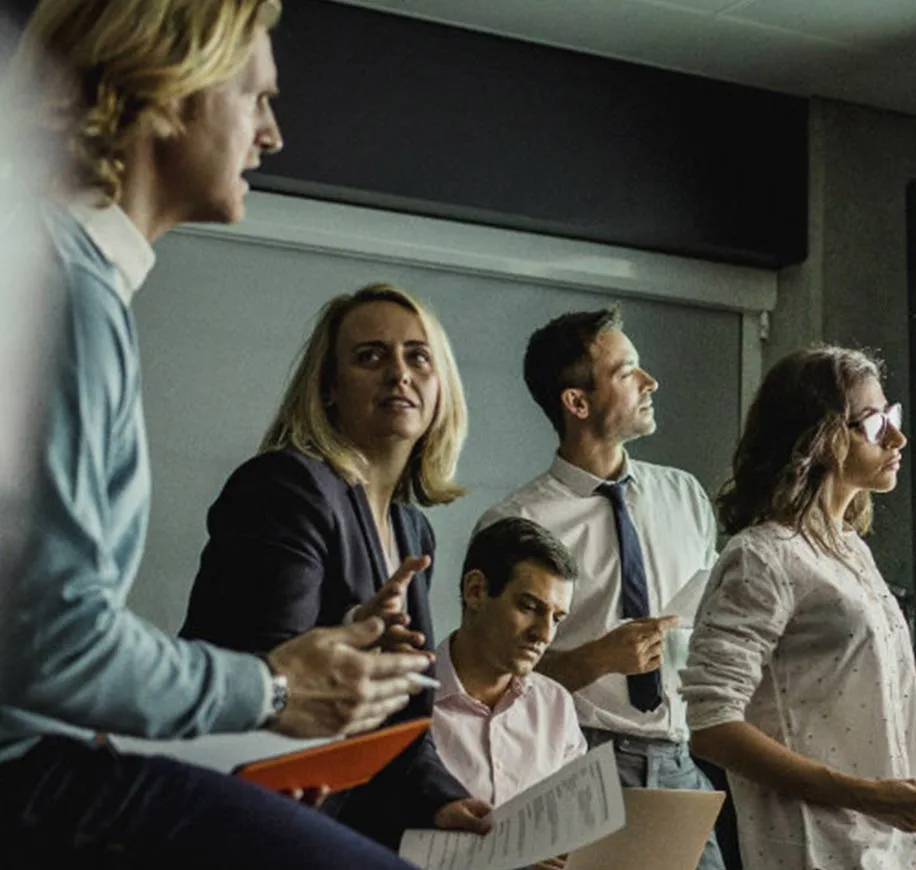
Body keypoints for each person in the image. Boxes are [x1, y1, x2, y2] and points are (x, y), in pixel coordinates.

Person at [0, 2, 437, 867]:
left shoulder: (74, 280)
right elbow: (53, 643)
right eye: (256, 99)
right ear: (170, 94)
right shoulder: (67, 292)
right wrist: (274, 689)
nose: (270, 135)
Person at [681, 345, 916, 870]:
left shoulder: (849, 550)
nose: (897, 437)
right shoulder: (760, 557)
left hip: (894, 846)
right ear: (817, 438)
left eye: (894, 417)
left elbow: (889, 720)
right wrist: (867, 795)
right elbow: (711, 727)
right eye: (874, 422)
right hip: (825, 849)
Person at [180, 283, 490, 848]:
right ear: (328, 389)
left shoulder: (412, 528)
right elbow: (273, 684)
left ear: (441, 386)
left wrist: (446, 801)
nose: (399, 372)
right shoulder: (286, 488)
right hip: (251, 809)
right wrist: (352, 641)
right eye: (369, 356)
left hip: (345, 816)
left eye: (418, 356)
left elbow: (403, 720)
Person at [476, 307, 727, 870]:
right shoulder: (516, 524)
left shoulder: (684, 496)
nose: (649, 382)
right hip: (579, 761)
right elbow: (486, 677)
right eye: (627, 371)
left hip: (681, 761)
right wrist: (597, 659)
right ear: (577, 403)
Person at [431, 516, 586, 804]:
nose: (545, 634)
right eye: (529, 607)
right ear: (475, 591)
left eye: (557, 618)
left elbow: (574, 826)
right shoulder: (404, 699)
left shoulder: (557, 706)